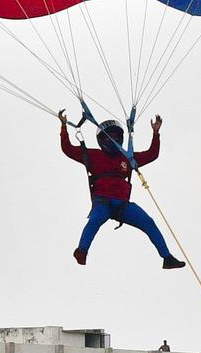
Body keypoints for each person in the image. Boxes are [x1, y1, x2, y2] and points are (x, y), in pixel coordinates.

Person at [59, 112, 184, 269]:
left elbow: (152, 154)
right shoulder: (92, 155)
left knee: (148, 222)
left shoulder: (127, 158)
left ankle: (167, 258)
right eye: (109, 137)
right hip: (102, 202)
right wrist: (64, 127)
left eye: (116, 136)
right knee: (95, 220)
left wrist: (156, 133)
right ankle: (82, 251)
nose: (113, 140)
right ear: (102, 140)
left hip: (123, 205)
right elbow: (68, 149)